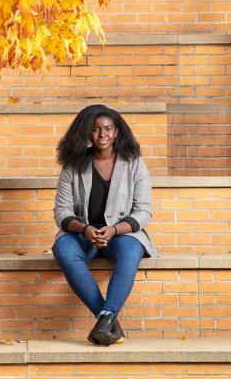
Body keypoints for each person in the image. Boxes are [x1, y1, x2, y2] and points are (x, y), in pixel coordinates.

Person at [52, 104, 157, 346]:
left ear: (117, 132)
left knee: (132, 251)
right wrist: (85, 229)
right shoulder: (73, 165)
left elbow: (144, 211)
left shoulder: (134, 164)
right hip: (82, 233)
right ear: (87, 133)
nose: (103, 135)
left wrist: (115, 229)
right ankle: (108, 320)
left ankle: (106, 317)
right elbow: (62, 212)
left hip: (121, 233)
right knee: (63, 250)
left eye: (108, 129)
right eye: (96, 129)